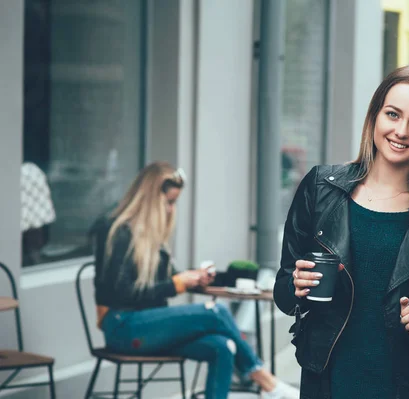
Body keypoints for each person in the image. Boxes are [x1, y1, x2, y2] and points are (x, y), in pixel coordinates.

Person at [273, 65, 409, 399]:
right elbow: (284, 295)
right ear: (375, 116)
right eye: (393, 114)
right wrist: (296, 285)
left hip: (406, 385)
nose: (401, 131)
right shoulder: (320, 189)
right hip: (327, 382)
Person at [94, 161, 298, 399]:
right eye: (168, 202)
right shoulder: (117, 230)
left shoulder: (152, 240)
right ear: (150, 199)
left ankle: (265, 382)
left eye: (174, 203)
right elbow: (121, 293)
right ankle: (267, 382)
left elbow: (168, 280)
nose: (171, 210)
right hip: (122, 327)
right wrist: (178, 283)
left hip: (153, 328)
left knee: (222, 347)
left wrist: (198, 278)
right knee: (216, 312)